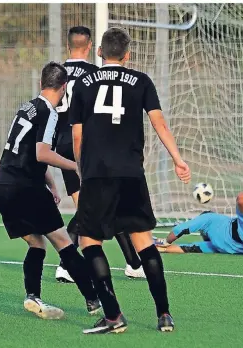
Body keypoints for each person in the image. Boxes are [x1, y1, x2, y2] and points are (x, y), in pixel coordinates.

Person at [70, 27, 191, 334]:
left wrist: (82, 170)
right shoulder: (141, 81)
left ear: (99, 52)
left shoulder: (83, 83)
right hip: (131, 173)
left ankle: (113, 315)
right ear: (127, 55)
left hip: (97, 173)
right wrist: (178, 160)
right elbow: (159, 123)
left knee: (89, 241)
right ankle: (164, 314)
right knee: (143, 242)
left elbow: (77, 134)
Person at [0, 62, 101, 320]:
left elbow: (29, 152)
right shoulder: (50, 113)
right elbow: (42, 153)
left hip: (4, 186)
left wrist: (52, 185)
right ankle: (93, 301)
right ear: (64, 88)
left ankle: (33, 296)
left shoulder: (27, 107)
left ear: (43, 82)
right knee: (64, 242)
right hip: (26, 188)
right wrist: (77, 167)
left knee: (36, 243)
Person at [55, 26, 145, 283]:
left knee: (96, 206)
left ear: (68, 45)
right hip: (86, 147)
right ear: (92, 47)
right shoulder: (94, 76)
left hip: (60, 147)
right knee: (95, 206)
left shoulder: (56, 72)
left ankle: (133, 262)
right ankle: (67, 265)